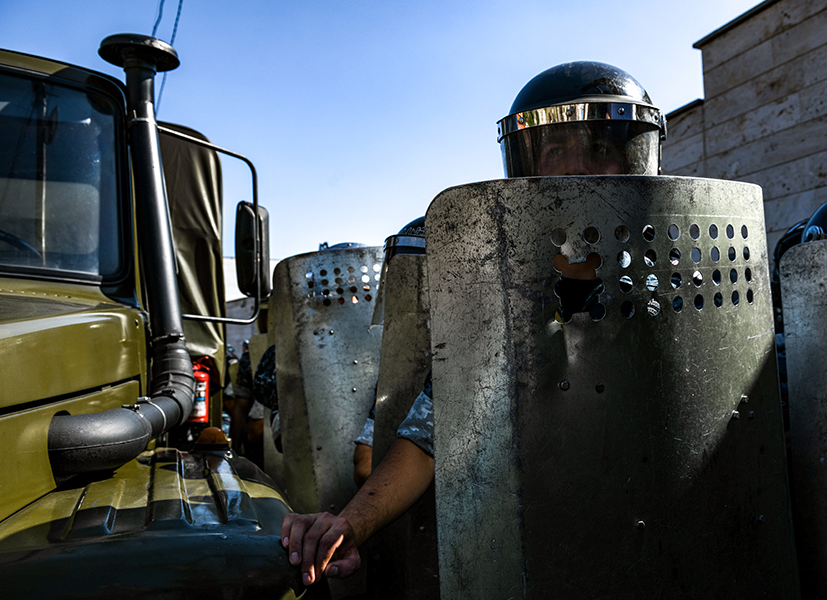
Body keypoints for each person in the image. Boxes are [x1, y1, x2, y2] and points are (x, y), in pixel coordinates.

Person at [281, 60, 667, 586]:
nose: (577, 170)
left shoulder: (674, 291)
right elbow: (432, 430)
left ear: (634, 162)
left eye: (599, 148)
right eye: (555, 152)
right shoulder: (500, 305)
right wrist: (349, 526)